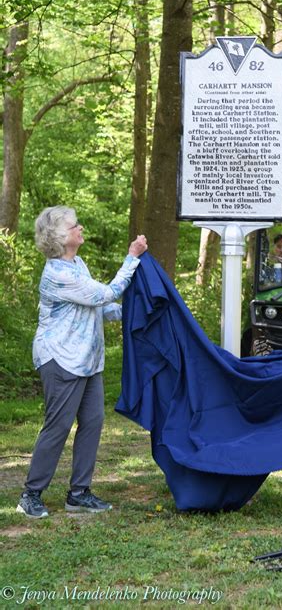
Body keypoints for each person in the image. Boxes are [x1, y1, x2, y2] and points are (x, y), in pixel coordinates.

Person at [16, 206, 147, 519]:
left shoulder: (77, 264)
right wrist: (132, 258)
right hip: (60, 358)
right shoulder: (57, 274)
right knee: (58, 426)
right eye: (76, 226)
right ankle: (30, 494)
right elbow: (105, 293)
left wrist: (128, 312)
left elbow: (95, 308)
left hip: (87, 360)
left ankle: (79, 494)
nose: (81, 228)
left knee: (92, 422)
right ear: (61, 237)